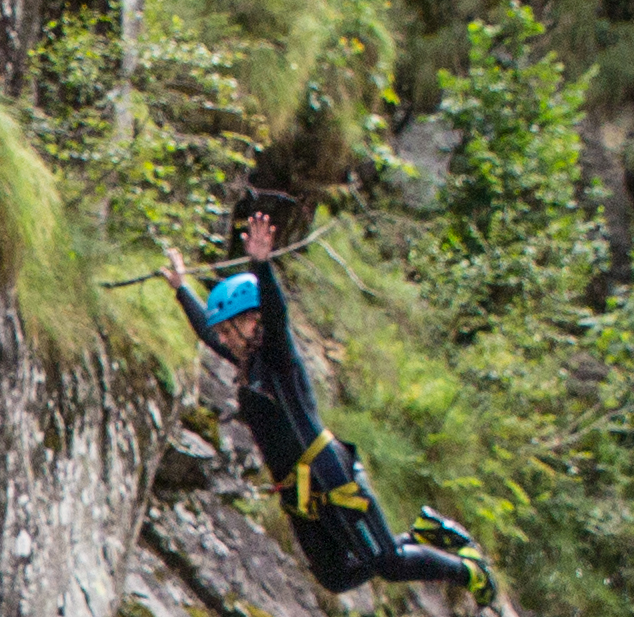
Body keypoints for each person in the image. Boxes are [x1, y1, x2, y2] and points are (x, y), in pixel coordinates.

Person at [192, 210, 484, 596]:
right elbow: (206, 333)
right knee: (336, 576)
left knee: (389, 564)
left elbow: (277, 315)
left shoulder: (278, 359)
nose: (223, 339)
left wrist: (261, 264)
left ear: (251, 321)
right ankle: (419, 535)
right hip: (297, 490)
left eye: (229, 330)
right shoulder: (250, 366)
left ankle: (470, 570)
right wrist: (180, 287)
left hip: (328, 472)